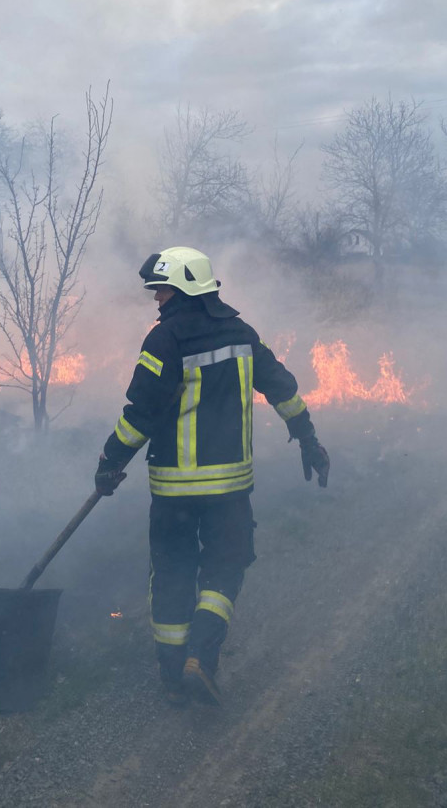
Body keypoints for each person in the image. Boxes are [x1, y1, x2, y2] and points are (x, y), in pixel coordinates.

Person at [95, 246, 329, 707]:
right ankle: (201, 656)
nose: (156, 299)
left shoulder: (163, 342)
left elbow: (140, 414)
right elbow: (282, 389)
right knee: (225, 566)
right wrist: (308, 438)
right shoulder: (242, 334)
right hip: (229, 489)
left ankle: (172, 673)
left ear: (182, 288)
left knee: (172, 573)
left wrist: (109, 461)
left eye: (160, 289)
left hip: (174, 491)